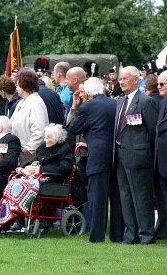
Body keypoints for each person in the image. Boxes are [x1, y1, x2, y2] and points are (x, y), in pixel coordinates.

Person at [0, 123, 74, 232]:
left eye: (48, 138)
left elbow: (65, 169)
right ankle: (6, 220)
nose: (45, 139)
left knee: (23, 187)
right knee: (12, 184)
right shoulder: (43, 147)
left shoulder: (64, 149)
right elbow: (35, 162)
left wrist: (41, 170)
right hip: (36, 177)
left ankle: (19, 222)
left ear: (57, 139)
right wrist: (27, 168)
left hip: (53, 179)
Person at [70, 77, 116, 243]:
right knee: (116, 197)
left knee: (97, 196)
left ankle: (96, 236)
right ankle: (117, 234)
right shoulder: (115, 103)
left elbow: (74, 128)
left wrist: (76, 107)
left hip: (97, 155)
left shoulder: (87, 106)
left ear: (88, 92)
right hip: (116, 154)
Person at [115, 66, 158, 245]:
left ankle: (146, 235)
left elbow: (152, 130)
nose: (121, 82)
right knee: (125, 197)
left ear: (135, 79)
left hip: (139, 157)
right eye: (120, 79)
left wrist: (143, 149)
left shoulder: (145, 101)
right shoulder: (120, 102)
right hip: (120, 156)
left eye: (125, 79)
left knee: (141, 197)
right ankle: (131, 234)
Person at [10, 71, 49, 167]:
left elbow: (39, 129)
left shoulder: (35, 103)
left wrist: (31, 147)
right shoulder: (22, 102)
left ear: (24, 85)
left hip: (29, 155)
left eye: (17, 85)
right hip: (20, 151)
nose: (16, 88)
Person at [154, 70, 167, 239]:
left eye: (162, 84)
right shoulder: (163, 104)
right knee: (162, 198)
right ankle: (163, 230)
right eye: (157, 84)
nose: (158, 87)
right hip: (161, 160)